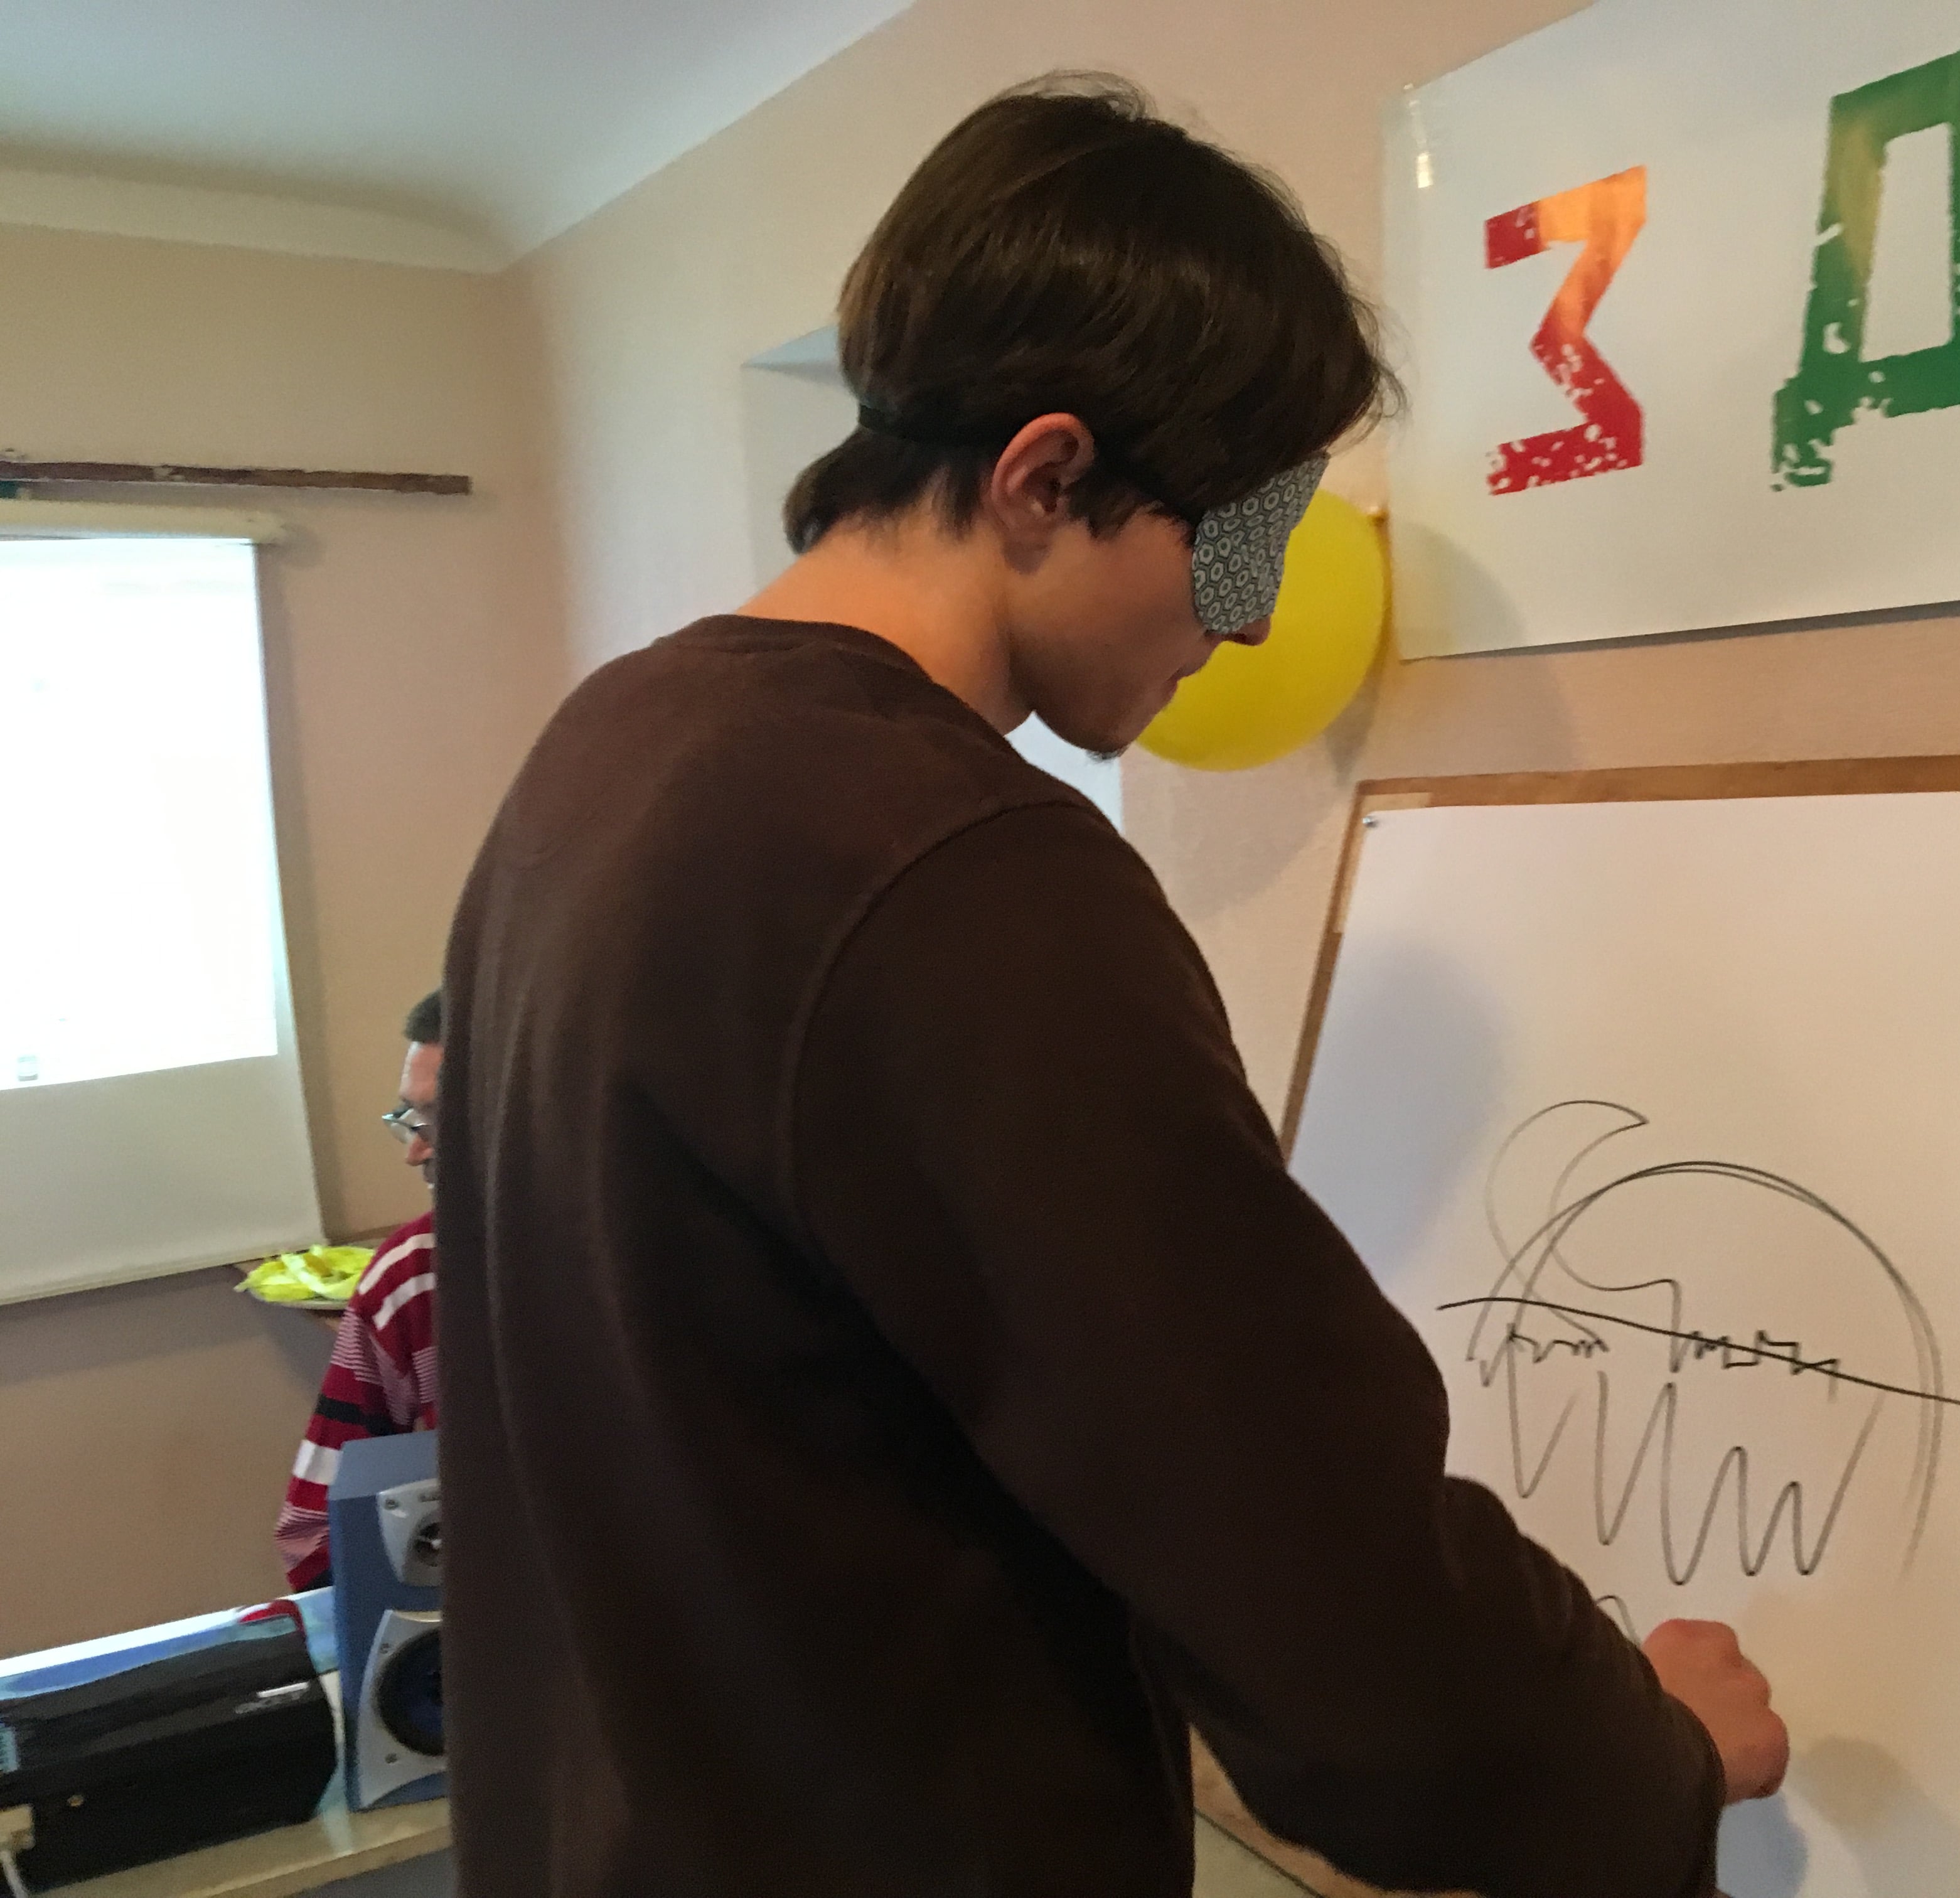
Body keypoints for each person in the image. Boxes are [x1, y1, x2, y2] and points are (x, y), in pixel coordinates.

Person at [434, 77, 1786, 1898]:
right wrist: (1640, 1754)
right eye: (1242, 538)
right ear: (1047, 477)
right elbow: (1306, 1557)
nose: (1253, 616)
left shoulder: (612, 745)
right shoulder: (953, 870)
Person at [274, 990, 443, 1590]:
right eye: (409, 1121)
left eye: (436, 1122)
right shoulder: (415, 1276)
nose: (416, 1153)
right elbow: (315, 1536)